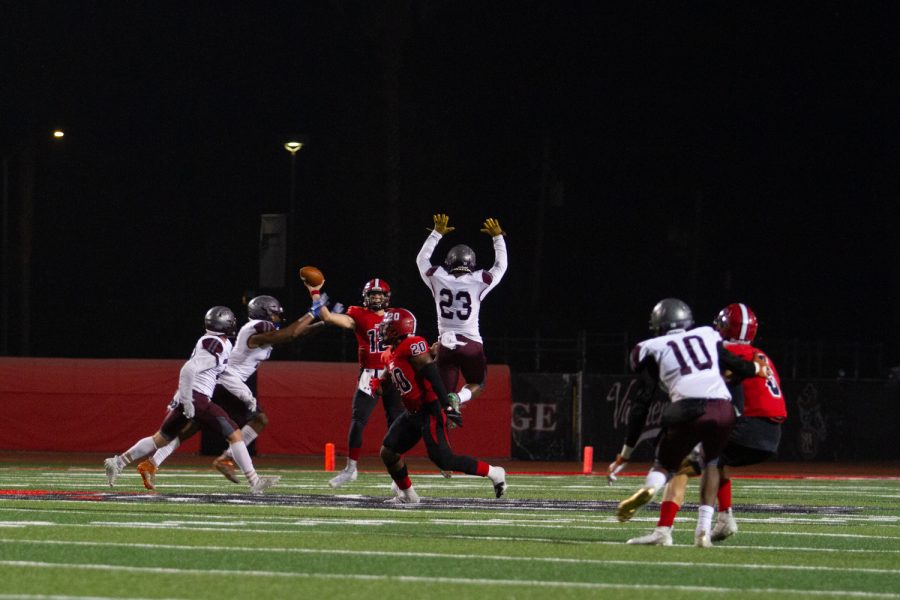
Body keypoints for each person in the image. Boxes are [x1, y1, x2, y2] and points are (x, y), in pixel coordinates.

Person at [608, 298, 771, 547]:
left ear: (657, 325)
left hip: (687, 408)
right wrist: (756, 370)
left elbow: (642, 404)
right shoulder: (706, 335)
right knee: (712, 464)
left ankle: (654, 499)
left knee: (667, 466)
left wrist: (625, 453)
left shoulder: (650, 347)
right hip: (723, 409)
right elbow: (735, 365)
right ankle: (703, 532)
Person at [135, 294, 330, 490]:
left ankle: (152, 463)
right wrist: (312, 312)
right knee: (257, 420)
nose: (278, 317)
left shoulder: (260, 331)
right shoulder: (255, 329)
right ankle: (229, 461)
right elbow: (290, 334)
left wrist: (324, 322)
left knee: (192, 427)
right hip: (228, 384)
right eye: (275, 314)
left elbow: (296, 334)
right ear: (266, 314)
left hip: (225, 384)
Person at [103, 306, 279, 495]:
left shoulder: (220, 343)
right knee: (235, 434)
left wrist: (246, 394)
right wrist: (187, 401)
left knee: (160, 439)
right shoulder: (215, 343)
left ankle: (118, 462)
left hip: (192, 396)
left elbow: (224, 373)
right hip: (198, 397)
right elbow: (188, 369)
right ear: (226, 323)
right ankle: (255, 481)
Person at [375, 307, 507, 503]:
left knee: (444, 460)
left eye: (386, 327)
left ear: (397, 328)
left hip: (430, 409)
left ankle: (495, 473)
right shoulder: (390, 353)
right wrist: (378, 383)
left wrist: (447, 405)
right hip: (413, 413)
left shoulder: (413, 344)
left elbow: (432, 373)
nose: (382, 330)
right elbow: (390, 376)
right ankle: (408, 495)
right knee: (389, 452)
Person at [305, 277, 405, 488]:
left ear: (386, 297)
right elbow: (329, 317)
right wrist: (315, 292)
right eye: (372, 294)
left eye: (379, 294)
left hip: (393, 373)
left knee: (396, 424)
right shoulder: (358, 314)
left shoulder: (398, 316)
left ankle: (398, 475)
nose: (376, 298)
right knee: (358, 421)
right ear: (365, 297)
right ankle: (351, 469)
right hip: (370, 375)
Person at [415, 214, 508, 406]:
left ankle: (448, 411)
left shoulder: (437, 277)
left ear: (449, 262)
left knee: (443, 399)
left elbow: (421, 260)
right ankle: (458, 398)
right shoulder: (479, 280)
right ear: (471, 263)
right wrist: (498, 238)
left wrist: (436, 234)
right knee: (477, 383)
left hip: (446, 344)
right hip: (471, 343)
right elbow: (501, 266)